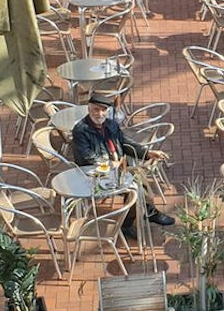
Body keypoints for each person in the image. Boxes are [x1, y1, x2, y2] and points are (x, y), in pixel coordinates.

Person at [69, 97, 176, 238]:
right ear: (89, 109)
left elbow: (125, 143)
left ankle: (141, 215)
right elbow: (87, 156)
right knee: (136, 188)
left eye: (103, 110)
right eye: (96, 109)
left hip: (118, 169)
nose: (100, 114)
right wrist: (108, 164)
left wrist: (147, 153)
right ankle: (136, 219)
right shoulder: (80, 130)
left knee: (137, 180)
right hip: (95, 173)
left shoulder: (111, 124)